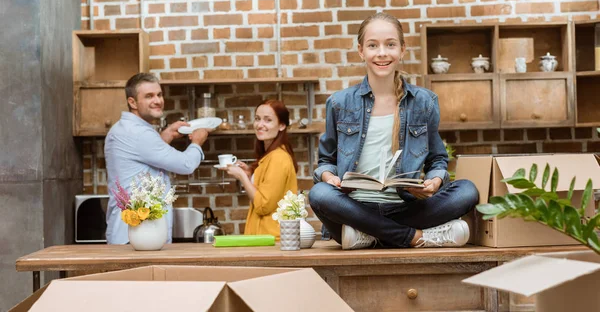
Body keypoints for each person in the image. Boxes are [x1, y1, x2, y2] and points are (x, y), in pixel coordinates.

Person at [309, 13, 479, 250]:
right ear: (361, 51)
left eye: (390, 44)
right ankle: (415, 238)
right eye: (372, 45)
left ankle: (369, 235)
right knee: (319, 194)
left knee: (467, 191)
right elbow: (326, 161)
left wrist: (434, 180)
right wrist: (331, 178)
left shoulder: (424, 102)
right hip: (354, 207)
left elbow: (437, 159)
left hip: (405, 207)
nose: (382, 53)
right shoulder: (339, 103)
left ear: (402, 49)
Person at [105, 73, 210, 244]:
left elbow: (143, 159)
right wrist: (197, 142)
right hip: (136, 236)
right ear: (132, 102)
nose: (158, 100)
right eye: (149, 96)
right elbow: (186, 164)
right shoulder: (139, 133)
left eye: (159, 94)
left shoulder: (125, 128)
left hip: (132, 234)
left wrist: (165, 136)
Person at [220, 99, 298, 239]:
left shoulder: (278, 158)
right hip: (265, 239)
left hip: (272, 240)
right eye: (257, 119)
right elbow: (266, 191)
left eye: (268, 120)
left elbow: (263, 205)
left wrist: (242, 177)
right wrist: (250, 174)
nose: (260, 125)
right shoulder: (269, 156)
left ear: (281, 125)